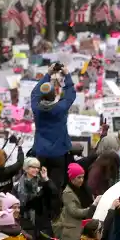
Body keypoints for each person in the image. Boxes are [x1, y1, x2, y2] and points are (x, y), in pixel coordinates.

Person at [31, 63, 77, 191]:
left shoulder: (36, 108)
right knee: (56, 187)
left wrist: (48, 74)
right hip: (59, 153)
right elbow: (70, 95)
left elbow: (34, 93)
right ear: (53, 95)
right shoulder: (61, 108)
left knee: (41, 186)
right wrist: (67, 75)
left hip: (41, 153)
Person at [54, 164, 97, 240]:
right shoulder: (68, 193)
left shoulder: (84, 189)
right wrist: (92, 208)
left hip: (83, 229)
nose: (81, 180)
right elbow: (74, 212)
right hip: (73, 231)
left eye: (82, 177)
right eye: (78, 177)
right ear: (72, 178)